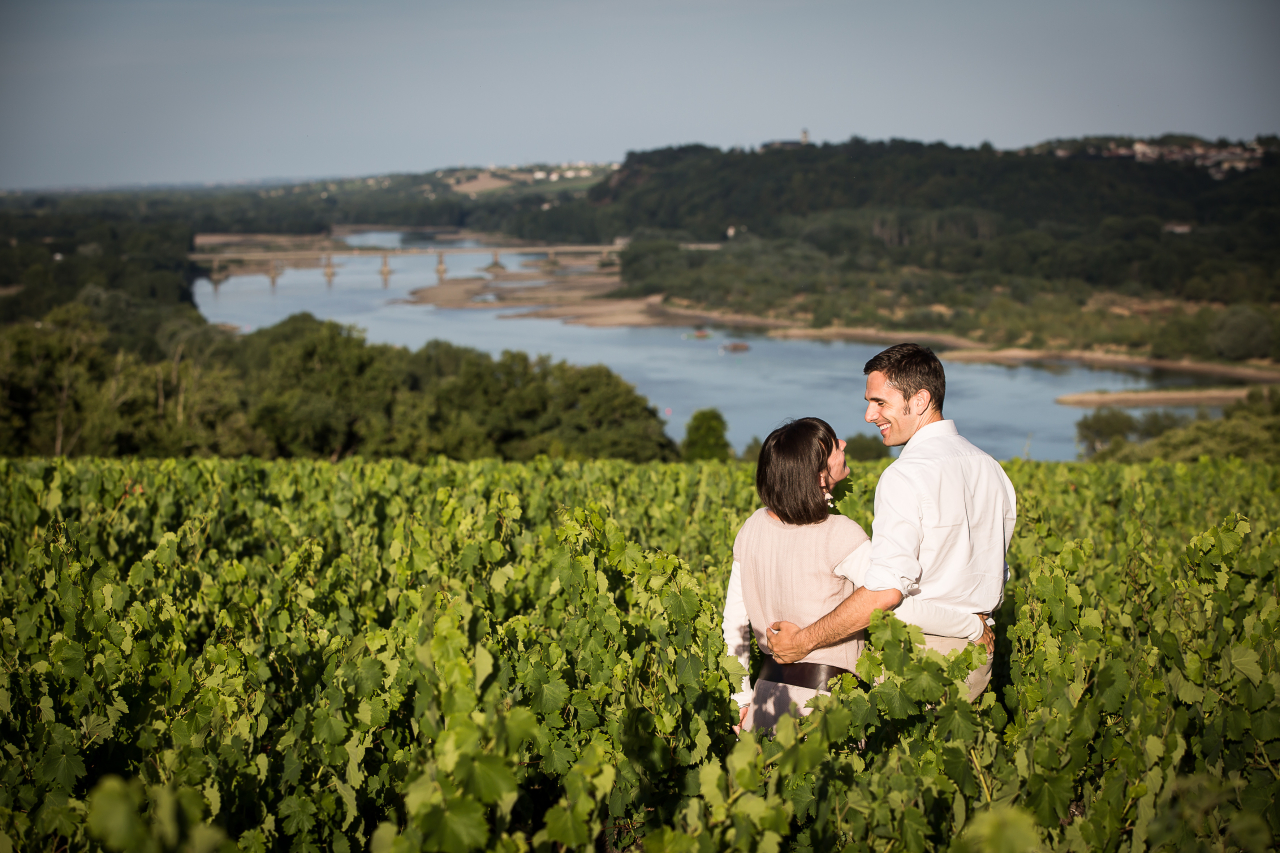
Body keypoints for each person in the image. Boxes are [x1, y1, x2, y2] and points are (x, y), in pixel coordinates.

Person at [768, 344, 1017, 703]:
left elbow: (885, 593)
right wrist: (972, 624)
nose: (869, 415)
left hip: (917, 657)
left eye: (880, 402)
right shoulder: (992, 468)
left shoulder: (904, 475)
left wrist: (802, 642)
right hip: (978, 657)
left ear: (919, 401)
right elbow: (997, 571)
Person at [722, 416, 994, 732]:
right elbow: (890, 601)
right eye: (833, 445)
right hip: (826, 710)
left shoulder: (752, 527)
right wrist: (970, 626)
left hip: (766, 700)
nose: (844, 444)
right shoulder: (840, 535)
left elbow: (734, 622)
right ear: (820, 477)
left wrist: (740, 697)